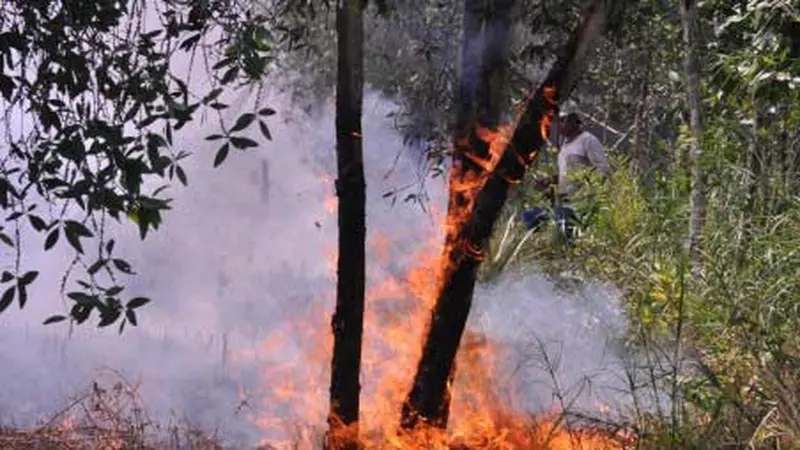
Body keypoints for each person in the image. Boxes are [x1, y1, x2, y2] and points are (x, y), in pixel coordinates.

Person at [521, 112, 609, 238]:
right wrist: (550, 180)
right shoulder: (565, 146)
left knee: (565, 235)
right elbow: (568, 173)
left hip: (581, 202)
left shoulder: (588, 140)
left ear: (574, 122)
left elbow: (602, 169)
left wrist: (588, 194)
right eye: (558, 121)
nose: (559, 125)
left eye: (563, 121)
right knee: (529, 217)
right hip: (564, 201)